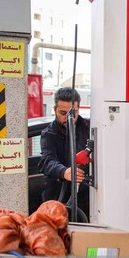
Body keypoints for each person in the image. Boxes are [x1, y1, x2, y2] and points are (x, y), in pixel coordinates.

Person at [38, 87, 90, 219]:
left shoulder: (89, 129)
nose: (68, 118)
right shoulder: (49, 134)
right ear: (54, 109)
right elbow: (46, 161)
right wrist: (63, 172)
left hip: (85, 199)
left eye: (73, 113)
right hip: (57, 199)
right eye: (62, 113)